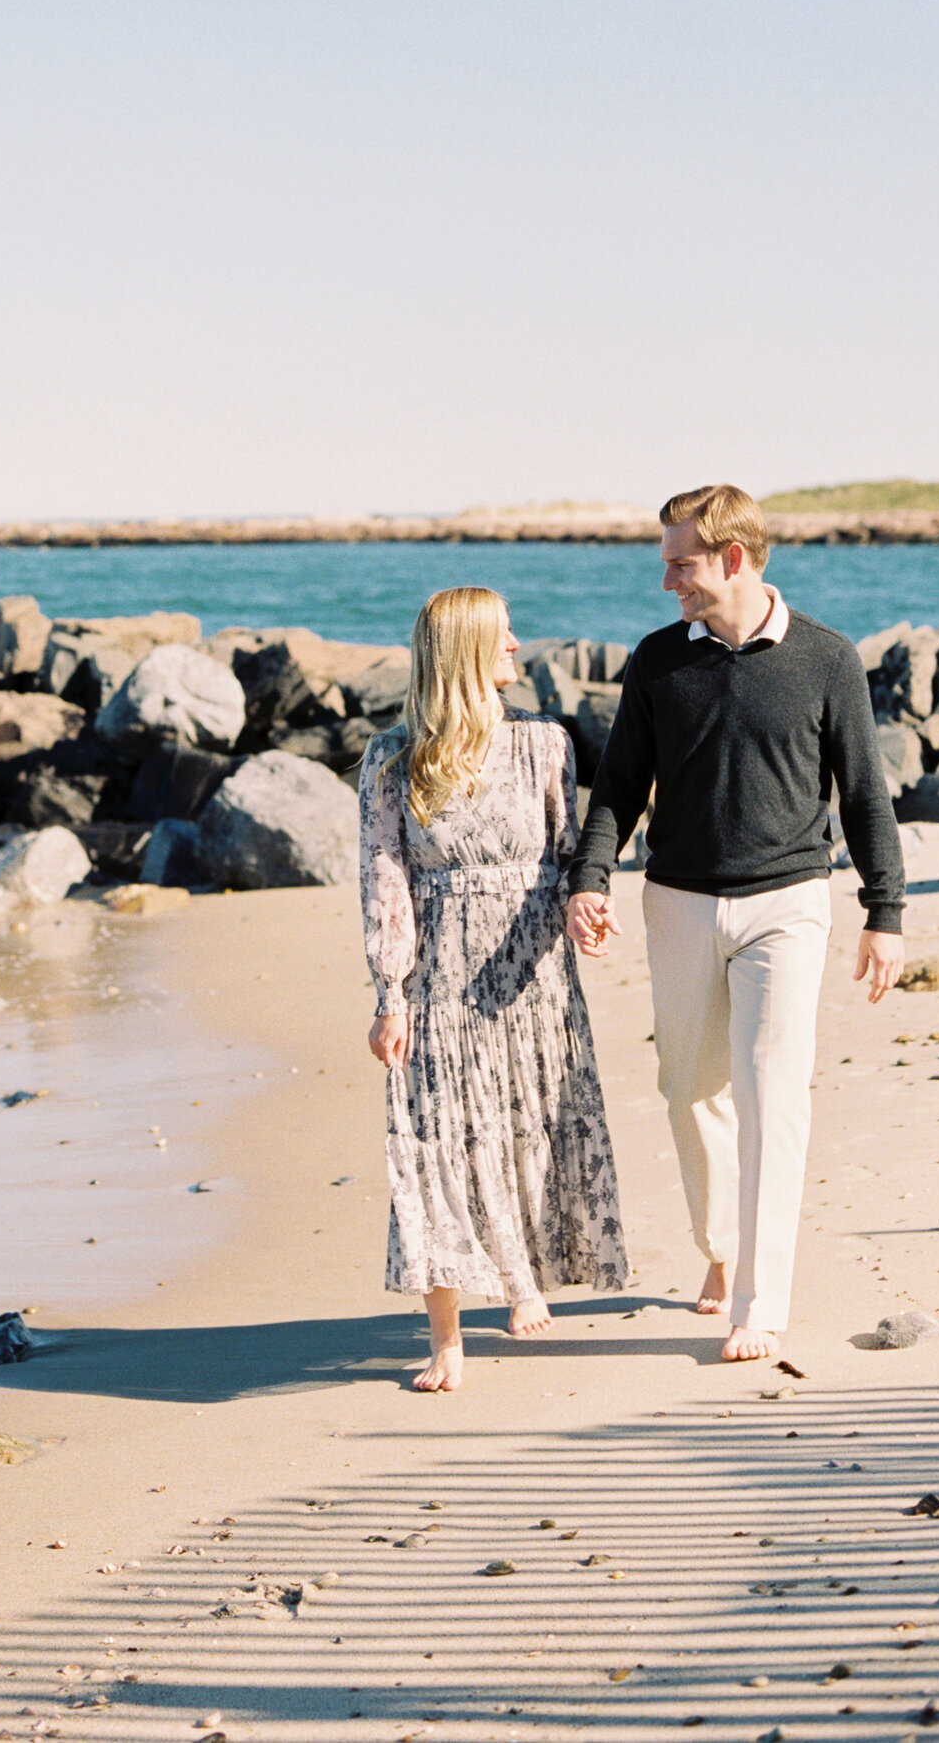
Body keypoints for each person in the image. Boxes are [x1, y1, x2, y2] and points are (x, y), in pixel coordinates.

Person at [566, 484, 906, 1363]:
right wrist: (590, 877)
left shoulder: (827, 659)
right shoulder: (656, 663)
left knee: (771, 1095)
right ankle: (721, 1247)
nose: (668, 582)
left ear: (732, 558)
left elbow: (864, 792)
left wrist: (885, 910)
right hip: (676, 900)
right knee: (689, 1089)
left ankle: (760, 1300)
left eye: (680, 564)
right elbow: (617, 788)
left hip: (788, 904)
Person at [361, 584, 628, 1393]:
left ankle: (523, 1276)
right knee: (438, 1139)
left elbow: (567, 853)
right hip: (441, 974)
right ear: (466, 652)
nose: (518, 646)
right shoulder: (391, 758)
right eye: (505, 636)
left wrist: (589, 909)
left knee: (531, 1127)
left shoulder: (546, 744)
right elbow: (385, 878)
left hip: (534, 971)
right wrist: (389, 992)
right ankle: (447, 1341)